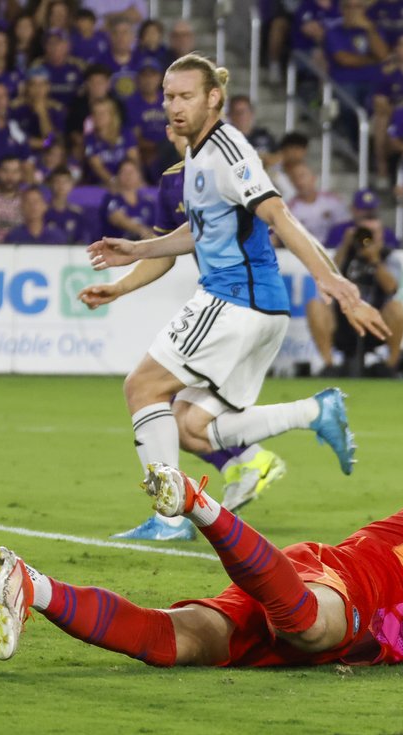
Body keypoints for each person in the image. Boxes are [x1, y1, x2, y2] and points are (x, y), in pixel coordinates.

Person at [80, 55, 388, 541]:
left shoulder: (227, 151)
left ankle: (167, 519)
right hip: (257, 307)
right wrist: (136, 252)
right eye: (168, 96)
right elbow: (198, 232)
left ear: (212, 98)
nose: (174, 107)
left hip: (234, 300)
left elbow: (279, 215)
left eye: (185, 96)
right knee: (187, 427)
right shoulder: (197, 157)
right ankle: (314, 412)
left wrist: (332, 280)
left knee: (141, 389)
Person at [0, 459, 403, 669]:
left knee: (175, 641)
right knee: (311, 624)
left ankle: (29, 585)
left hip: (303, 581)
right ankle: (204, 505)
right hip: (340, 587)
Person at [80, 126, 289, 513]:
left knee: (150, 392)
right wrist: (121, 287)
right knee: (173, 405)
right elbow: (165, 251)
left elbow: (264, 217)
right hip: (219, 300)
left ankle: (235, 469)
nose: (179, 118)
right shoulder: (173, 181)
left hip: (241, 301)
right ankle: (246, 461)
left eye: (184, 102)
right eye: (171, 105)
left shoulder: (230, 163)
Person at [305, 217, 403, 376]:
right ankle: (329, 366)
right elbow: (327, 277)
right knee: (315, 306)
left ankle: (390, 366)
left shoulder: (389, 257)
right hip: (342, 319)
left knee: (397, 307)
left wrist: (374, 260)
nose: (367, 238)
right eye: (363, 232)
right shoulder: (345, 253)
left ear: (381, 235)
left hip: (376, 322)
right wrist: (345, 245)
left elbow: (391, 288)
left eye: (372, 233)